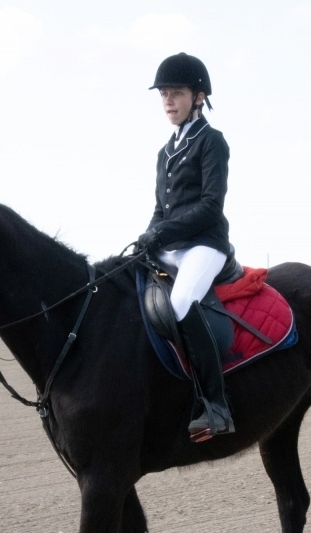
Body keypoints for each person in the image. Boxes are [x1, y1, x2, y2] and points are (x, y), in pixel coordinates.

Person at [136, 52, 235, 442]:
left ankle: (215, 405)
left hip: (205, 244)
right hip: (171, 245)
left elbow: (211, 205)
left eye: (175, 93)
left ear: (198, 96)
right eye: (163, 94)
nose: (168, 102)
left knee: (178, 305)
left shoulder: (212, 141)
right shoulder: (165, 151)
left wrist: (161, 233)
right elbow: (161, 209)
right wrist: (146, 237)